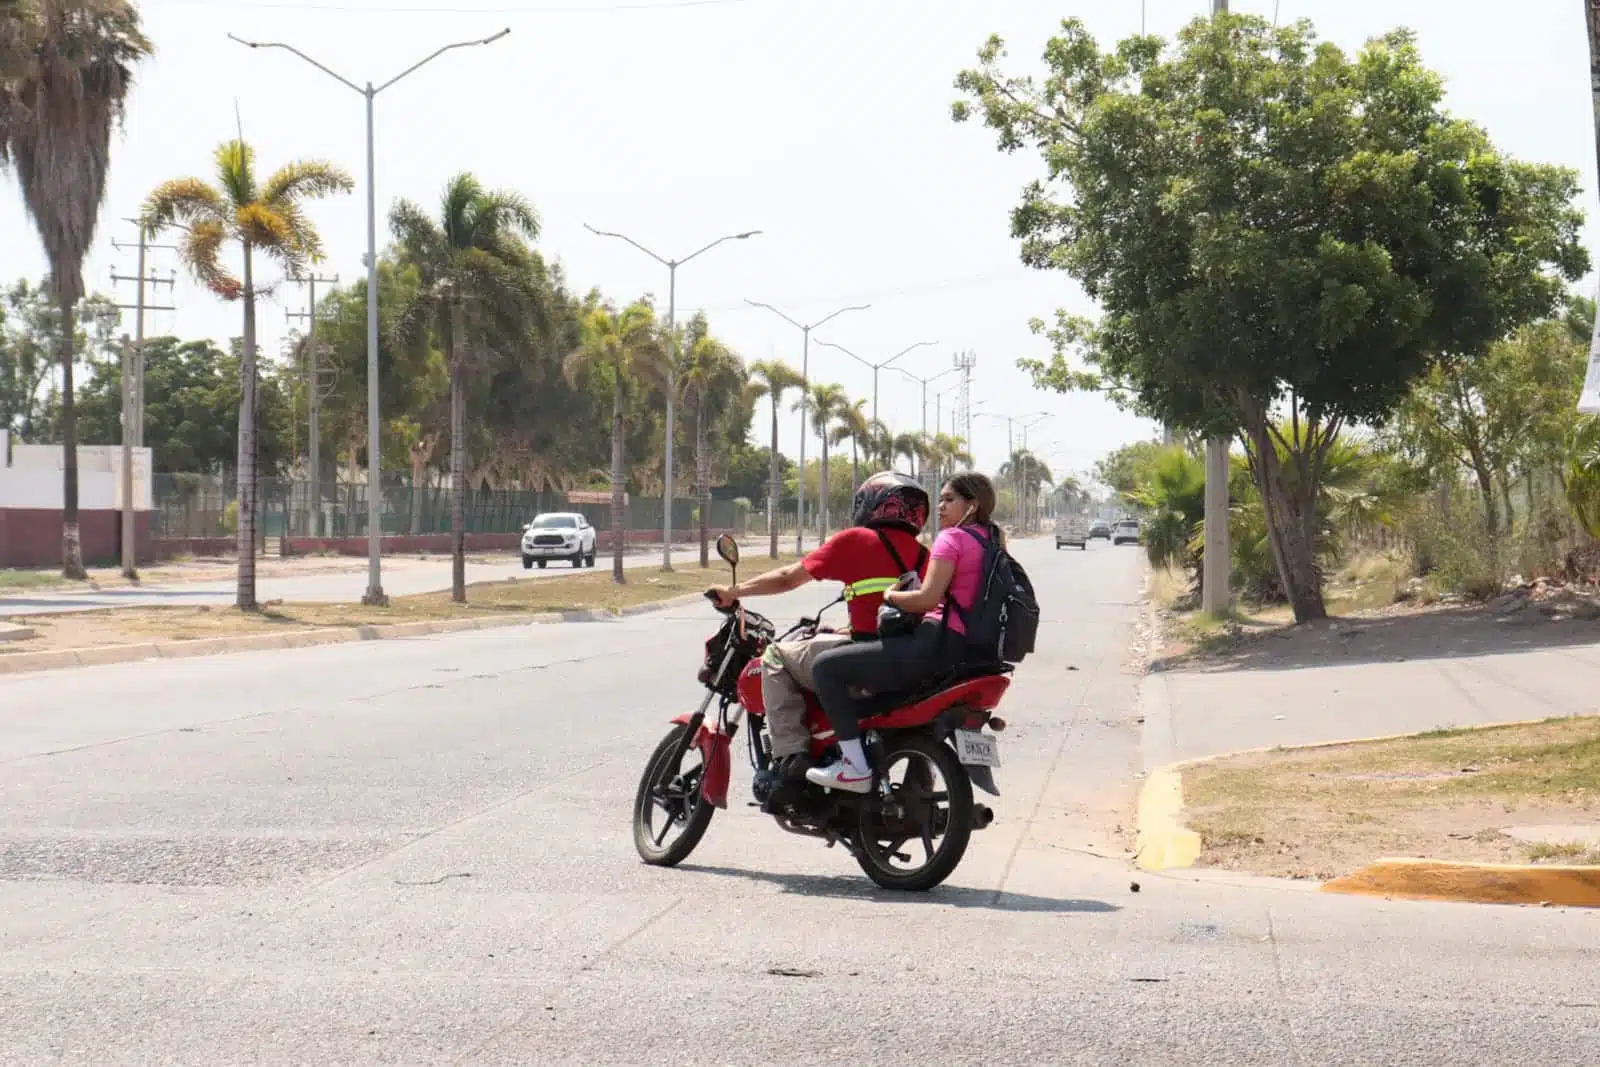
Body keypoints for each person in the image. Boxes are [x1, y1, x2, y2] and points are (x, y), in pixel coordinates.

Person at [706, 472, 931, 804]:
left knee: (776, 656)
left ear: (872, 504)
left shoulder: (855, 540)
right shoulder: (923, 556)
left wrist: (733, 591)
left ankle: (791, 757)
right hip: (901, 660)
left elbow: (786, 579)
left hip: (861, 659)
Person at [804, 471, 999, 793]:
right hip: (975, 652)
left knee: (826, 667)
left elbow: (927, 598)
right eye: (940, 499)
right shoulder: (993, 541)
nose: (940, 507)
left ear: (972, 505)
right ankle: (915, 775)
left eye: (949, 500)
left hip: (937, 644)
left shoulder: (951, 539)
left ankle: (854, 767)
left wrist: (890, 596)